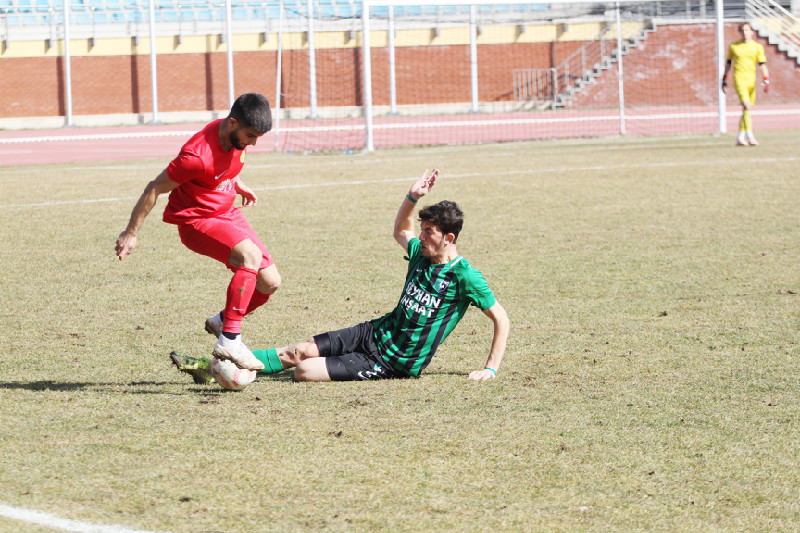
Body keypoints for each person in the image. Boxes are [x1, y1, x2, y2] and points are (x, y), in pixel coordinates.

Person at [171, 168, 510, 384]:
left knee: (304, 370)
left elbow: (501, 320)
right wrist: (412, 197)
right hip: (375, 331)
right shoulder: (420, 254)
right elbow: (399, 229)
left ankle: (230, 371)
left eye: (429, 232)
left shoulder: (466, 276)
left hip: (395, 361)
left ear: (449, 239)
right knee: (299, 351)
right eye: (422, 230)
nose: (421, 237)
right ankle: (213, 365)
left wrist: (490, 368)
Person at [116, 93, 279, 371]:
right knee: (250, 257)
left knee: (270, 282)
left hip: (227, 214)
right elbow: (154, 187)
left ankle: (220, 322)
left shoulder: (233, 131)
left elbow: (225, 161)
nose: (253, 143)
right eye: (250, 136)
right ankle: (229, 339)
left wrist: (236, 183)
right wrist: (131, 232)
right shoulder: (195, 157)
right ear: (232, 123)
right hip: (198, 221)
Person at [722, 22, 769, 146]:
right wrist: (724, 78)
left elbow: (762, 64)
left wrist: (766, 79)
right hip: (739, 80)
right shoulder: (734, 46)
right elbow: (728, 63)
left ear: (752, 31)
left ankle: (740, 137)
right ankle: (750, 136)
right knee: (747, 106)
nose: (745, 32)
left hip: (751, 81)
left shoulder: (757, 47)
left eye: (747, 30)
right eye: (742, 30)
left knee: (746, 110)